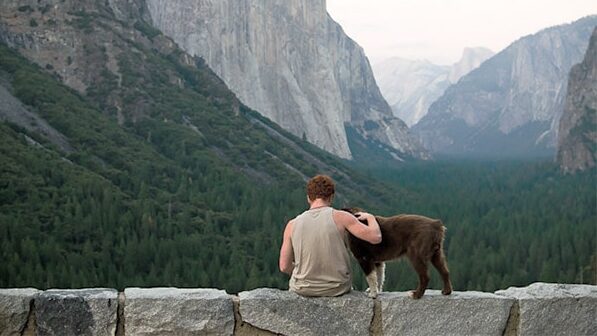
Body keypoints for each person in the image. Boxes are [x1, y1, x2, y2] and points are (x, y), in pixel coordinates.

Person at [279, 174, 382, 297]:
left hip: (302, 288)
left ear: (308, 198)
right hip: (337, 288)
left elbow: (284, 266)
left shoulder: (292, 224)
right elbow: (375, 237)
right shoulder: (342, 217)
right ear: (331, 197)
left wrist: (303, 274)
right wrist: (370, 218)